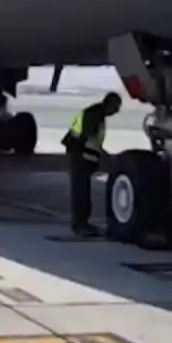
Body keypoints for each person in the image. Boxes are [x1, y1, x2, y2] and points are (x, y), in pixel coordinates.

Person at [61, 92, 122, 236]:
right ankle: (80, 226)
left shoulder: (94, 113)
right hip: (79, 156)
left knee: (82, 192)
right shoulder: (93, 116)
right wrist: (96, 157)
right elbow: (85, 140)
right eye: (116, 107)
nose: (117, 111)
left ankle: (82, 224)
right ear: (109, 105)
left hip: (79, 155)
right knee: (81, 193)